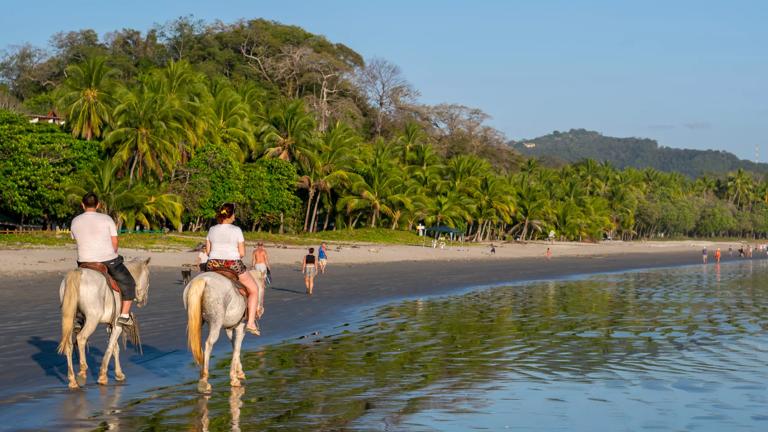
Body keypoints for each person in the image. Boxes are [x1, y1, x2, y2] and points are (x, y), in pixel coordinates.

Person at [70, 193, 137, 327]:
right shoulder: (106, 219)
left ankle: (78, 318)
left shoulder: (75, 221)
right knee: (129, 282)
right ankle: (124, 316)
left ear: (83, 205)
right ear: (98, 205)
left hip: (84, 263)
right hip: (108, 260)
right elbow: (115, 243)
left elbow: (76, 239)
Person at [205, 203, 261, 335]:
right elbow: (241, 253)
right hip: (232, 264)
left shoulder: (212, 229)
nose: (235, 216)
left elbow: (208, 251)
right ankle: (251, 323)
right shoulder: (236, 230)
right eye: (234, 213)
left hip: (212, 264)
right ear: (230, 215)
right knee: (254, 290)